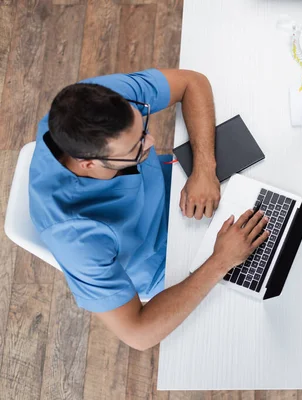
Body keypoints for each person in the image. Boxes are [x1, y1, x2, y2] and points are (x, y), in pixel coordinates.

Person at [29, 69, 270, 350]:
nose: (152, 142)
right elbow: (138, 334)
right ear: (88, 164)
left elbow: (193, 82)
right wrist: (220, 261)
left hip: (182, 187)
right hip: (162, 263)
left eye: (143, 129)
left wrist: (204, 169)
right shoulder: (72, 236)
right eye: (137, 147)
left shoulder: (94, 103)